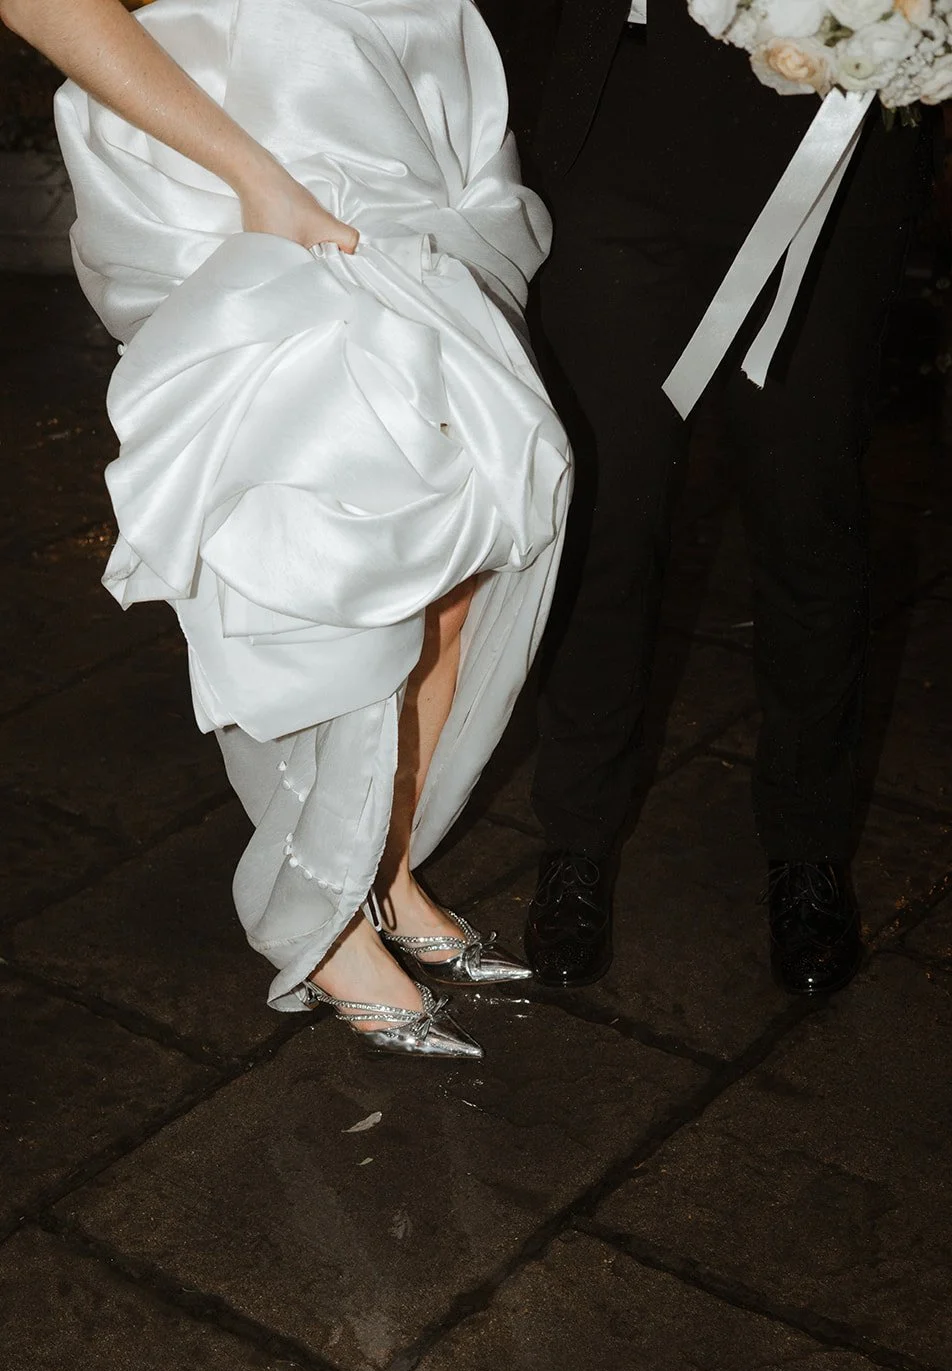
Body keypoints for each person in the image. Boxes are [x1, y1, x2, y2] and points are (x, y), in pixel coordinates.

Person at [3, 0, 571, 1058]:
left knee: (463, 546)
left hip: (414, 108)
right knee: (331, 565)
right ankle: (321, 916)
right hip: (253, 126)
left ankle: (381, 864)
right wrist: (254, 175)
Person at [522, 0, 932, 995]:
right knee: (602, 514)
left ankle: (807, 849)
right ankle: (572, 838)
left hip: (823, 134)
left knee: (807, 513)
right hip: (611, 109)